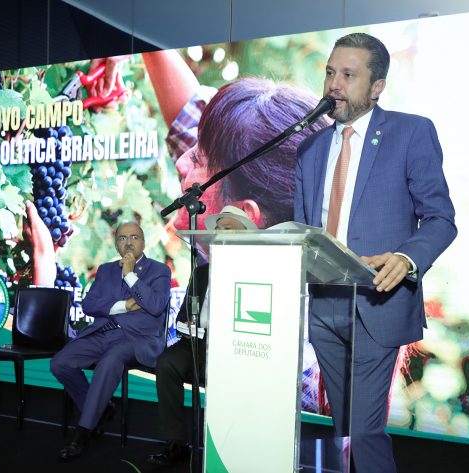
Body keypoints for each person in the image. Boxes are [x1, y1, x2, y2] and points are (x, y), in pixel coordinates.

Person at [294, 33, 457, 472]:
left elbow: (441, 218)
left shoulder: (410, 132)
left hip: (377, 300)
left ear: (378, 85)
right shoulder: (308, 150)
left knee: (363, 432)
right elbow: (304, 233)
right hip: (324, 307)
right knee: (344, 428)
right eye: (330, 72)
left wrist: (407, 259)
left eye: (348, 75)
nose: (334, 84)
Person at [91, 50, 332, 231]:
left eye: (197, 159)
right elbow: (188, 112)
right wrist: (137, 37)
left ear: (242, 218)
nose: (181, 163)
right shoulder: (231, 206)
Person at [50, 221, 171, 460]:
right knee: (60, 363)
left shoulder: (159, 271)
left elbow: (155, 306)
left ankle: (82, 433)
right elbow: (89, 305)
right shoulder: (105, 270)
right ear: (116, 244)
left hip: (138, 340)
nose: (128, 242)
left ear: (143, 242)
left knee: (111, 360)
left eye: (134, 237)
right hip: (103, 333)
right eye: (122, 238)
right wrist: (123, 306)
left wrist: (130, 276)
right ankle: (101, 408)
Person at [146, 205, 257, 466]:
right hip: (198, 343)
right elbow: (184, 313)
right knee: (167, 362)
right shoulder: (202, 272)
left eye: (226, 228)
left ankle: (230, 448)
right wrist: (187, 325)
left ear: (243, 235)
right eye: (217, 229)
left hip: (237, 347)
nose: (219, 233)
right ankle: (176, 443)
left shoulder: (254, 272)